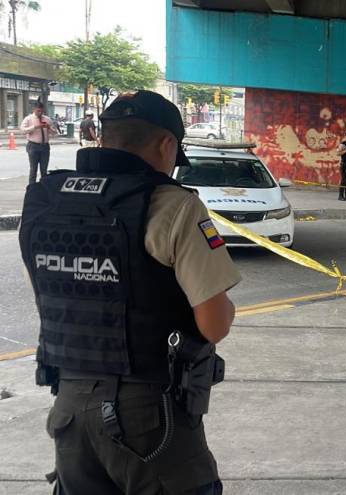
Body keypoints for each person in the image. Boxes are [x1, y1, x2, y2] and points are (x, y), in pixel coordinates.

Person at [19, 90, 240, 493]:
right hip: (148, 419)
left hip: (69, 409)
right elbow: (213, 325)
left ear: (104, 138)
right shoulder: (172, 205)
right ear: (167, 144)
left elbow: (52, 299)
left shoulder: (43, 200)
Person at [21, 101, 57, 184]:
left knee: (44, 169)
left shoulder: (47, 119)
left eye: (41, 111)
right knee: (33, 169)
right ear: (34, 110)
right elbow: (23, 130)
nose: (40, 113)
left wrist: (49, 128)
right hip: (33, 146)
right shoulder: (28, 119)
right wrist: (35, 127)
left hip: (45, 146)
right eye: (38, 111)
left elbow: (55, 133)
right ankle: (32, 188)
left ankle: (44, 188)